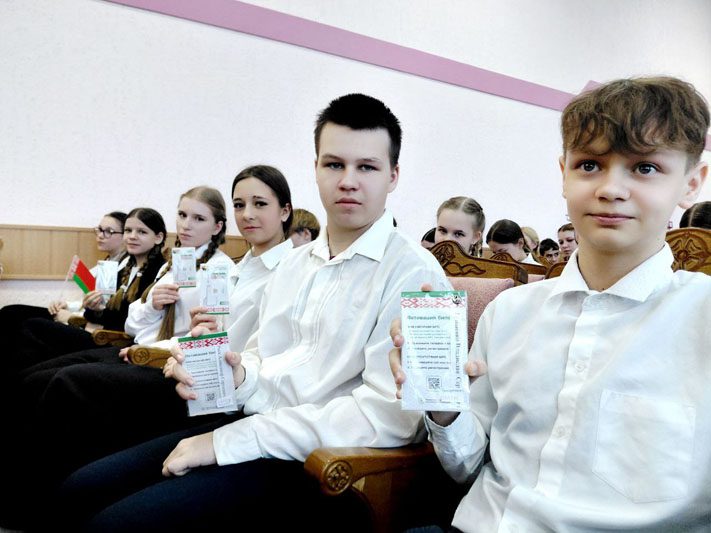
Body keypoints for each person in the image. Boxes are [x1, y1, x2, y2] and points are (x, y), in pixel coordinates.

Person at [56, 93, 450, 532]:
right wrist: (234, 373)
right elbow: (266, 357)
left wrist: (233, 441)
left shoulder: (416, 273)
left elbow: (391, 418)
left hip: (315, 462)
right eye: (334, 164)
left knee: (114, 524)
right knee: (79, 489)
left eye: (367, 167)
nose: (348, 181)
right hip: (249, 422)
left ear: (393, 175)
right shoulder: (296, 264)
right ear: (316, 168)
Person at [390, 76, 710, 532]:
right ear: (564, 173)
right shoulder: (509, 312)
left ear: (691, 182)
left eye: (645, 168)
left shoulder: (701, 319)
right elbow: (467, 465)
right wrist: (443, 402)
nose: (611, 189)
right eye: (589, 165)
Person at [8, 208, 167, 371]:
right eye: (128, 230)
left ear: (158, 237)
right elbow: (102, 312)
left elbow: (125, 320)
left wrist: (83, 316)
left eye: (141, 232)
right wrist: (95, 309)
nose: (132, 236)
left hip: (114, 341)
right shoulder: (127, 268)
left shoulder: (158, 272)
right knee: (24, 336)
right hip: (100, 332)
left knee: (32, 326)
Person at [0, 211, 128, 350]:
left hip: (92, 326)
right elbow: (91, 301)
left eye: (108, 231)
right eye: (99, 230)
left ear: (125, 236)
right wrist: (67, 305)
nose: (100, 235)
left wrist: (71, 316)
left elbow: (104, 309)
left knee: (27, 323)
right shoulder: (107, 263)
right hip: (80, 315)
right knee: (12, 312)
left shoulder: (125, 269)